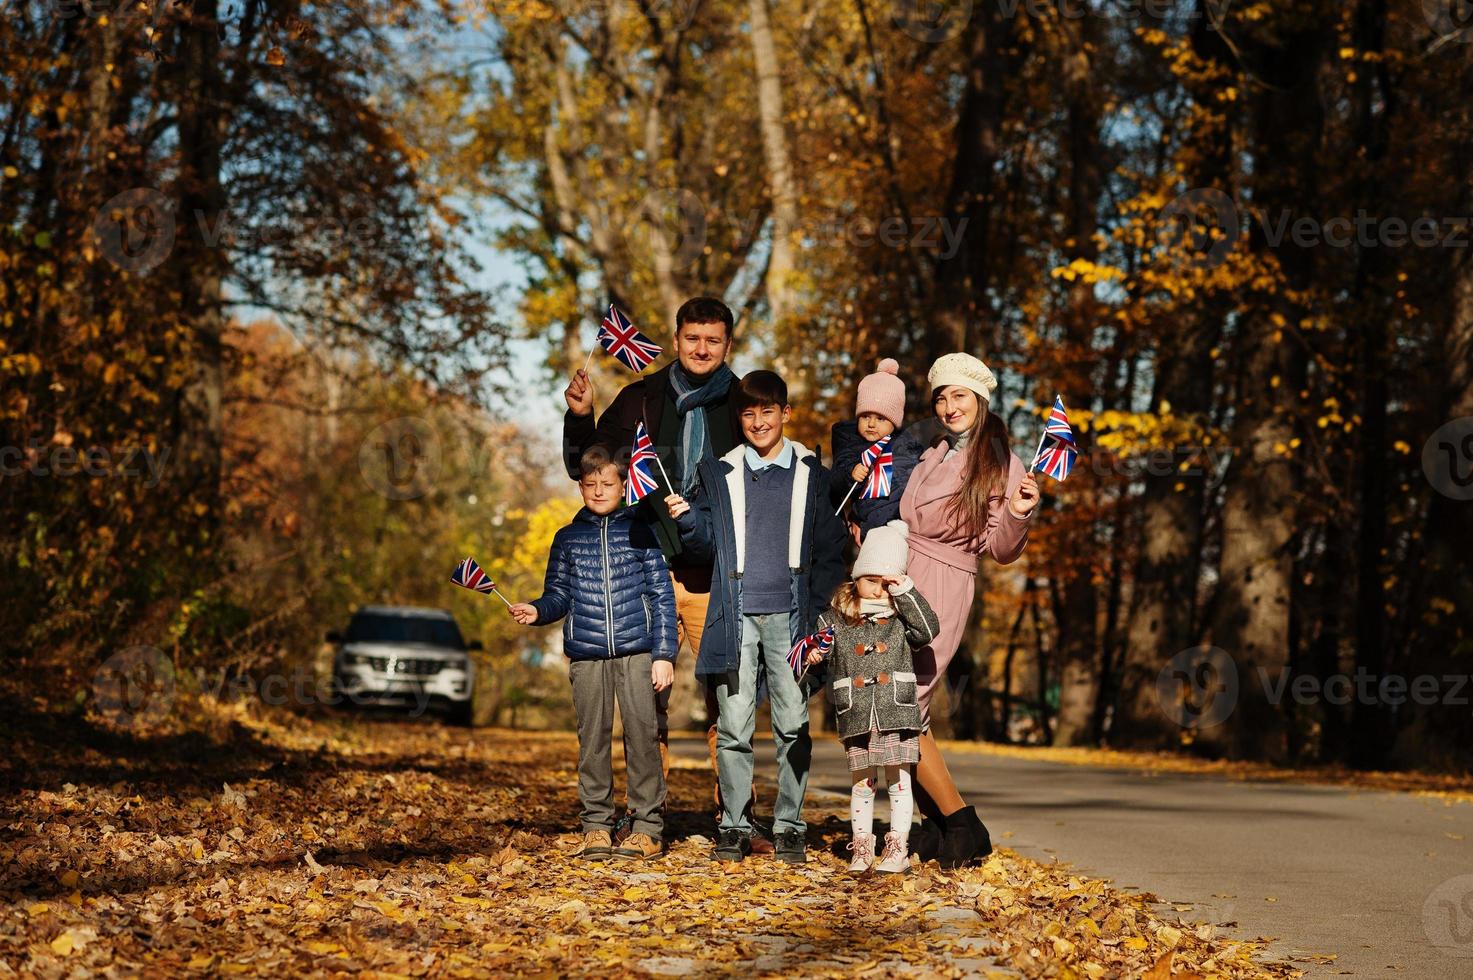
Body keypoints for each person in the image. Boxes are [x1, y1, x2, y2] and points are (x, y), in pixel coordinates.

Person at [563, 296, 773, 852]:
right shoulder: (640, 399)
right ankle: (643, 820)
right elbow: (591, 467)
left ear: (728, 345)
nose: (701, 349)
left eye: (713, 340)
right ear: (676, 339)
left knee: (730, 700)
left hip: (719, 575)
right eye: (692, 338)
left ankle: (737, 819)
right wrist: (581, 418)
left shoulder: (743, 403)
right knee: (641, 706)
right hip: (645, 570)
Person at [665, 370, 848, 864]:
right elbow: (705, 542)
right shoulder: (719, 474)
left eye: (768, 411)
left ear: (785, 414)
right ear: (739, 419)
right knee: (733, 725)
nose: (758, 422)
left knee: (792, 724)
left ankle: (789, 823)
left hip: (792, 618)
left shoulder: (812, 473)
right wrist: (687, 520)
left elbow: (832, 551)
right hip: (736, 613)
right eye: (748, 413)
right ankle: (736, 823)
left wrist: (817, 615)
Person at [898, 352, 1040, 868]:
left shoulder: (1001, 460)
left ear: (979, 400)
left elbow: (1001, 548)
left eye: (958, 395)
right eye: (941, 396)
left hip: (944, 582)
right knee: (895, 702)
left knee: (906, 703)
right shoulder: (932, 451)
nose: (948, 405)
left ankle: (961, 824)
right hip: (902, 577)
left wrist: (1019, 513)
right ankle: (936, 825)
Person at [508, 447, 677, 862]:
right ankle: (597, 826)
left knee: (642, 738)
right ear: (580, 487)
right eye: (591, 484)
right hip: (586, 655)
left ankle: (646, 828)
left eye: (608, 483)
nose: (599, 491)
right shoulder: (567, 537)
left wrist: (664, 654)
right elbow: (558, 595)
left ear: (624, 485)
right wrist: (536, 609)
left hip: (638, 652)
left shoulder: (642, 529)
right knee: (592, 743)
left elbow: (661, 595)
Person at [805, 520, 940, 874]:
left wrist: (906, 590)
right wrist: (815, 654)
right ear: (857, 576)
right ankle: (862, 848)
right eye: (872, 581)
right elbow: (821, 649)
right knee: (863, 784)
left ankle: (897, 848)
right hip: (858, 713)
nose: (879, 591)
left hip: (895, 711)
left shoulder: (901, 617)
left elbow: (929, 629)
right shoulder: (834, 618)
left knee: (899, 781)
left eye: (887, 584)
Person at [828, 358, 926, 537]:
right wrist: (851, 472)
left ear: (894, 422)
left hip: (899, 521)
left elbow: (911, 484)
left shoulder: (906, 447)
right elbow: (835, 478)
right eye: (865, 416)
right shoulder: (850, 442)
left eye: (880, 418)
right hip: (865, 520)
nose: (871, 424)